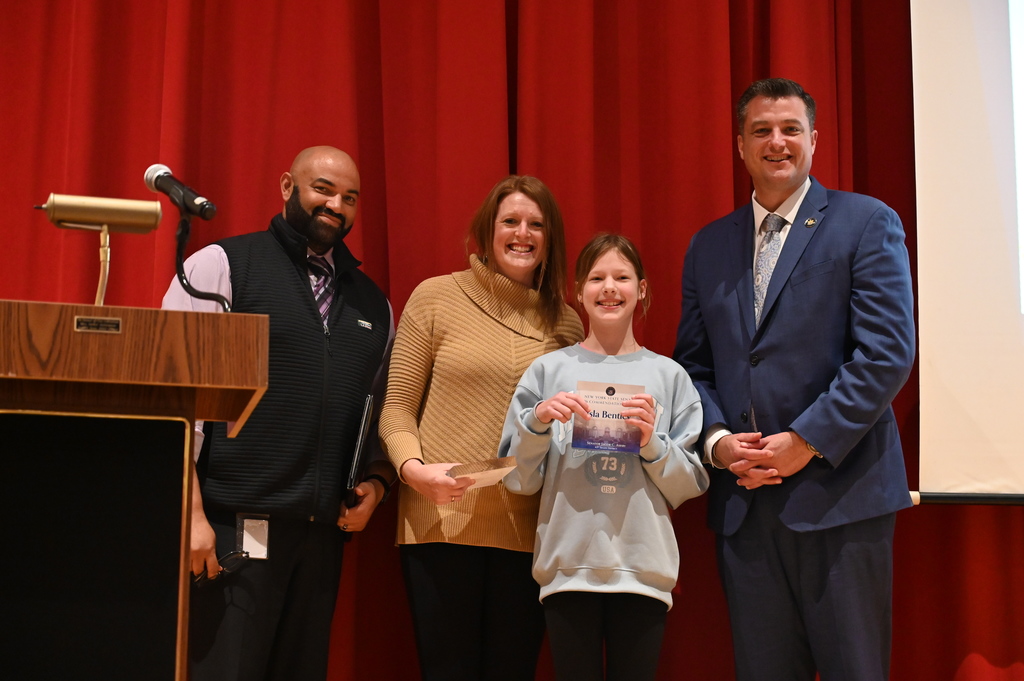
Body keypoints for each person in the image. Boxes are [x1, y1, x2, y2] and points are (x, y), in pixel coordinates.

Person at [673, 78, 916, 681]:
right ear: (739, 145)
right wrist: (718, 444)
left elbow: (887, 352)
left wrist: (803, 443)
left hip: (842, 497)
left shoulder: (865, 222)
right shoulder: (708, 246)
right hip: (745, 508)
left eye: (789, 129)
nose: (776, 142)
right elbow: (693, 369)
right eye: (761, 130)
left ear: (813, 140)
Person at [162, 146, 396, 681]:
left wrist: (378, 486)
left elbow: (380, 415)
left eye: (350, 197)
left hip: (320, 544)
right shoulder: (220, 267)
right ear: (287, 186)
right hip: (229, 528)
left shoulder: (374, 306)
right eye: (323, 189)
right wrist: (190, 514)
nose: (336, 205)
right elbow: (176, 402)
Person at [379, 175, 585, 681]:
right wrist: (413, 471)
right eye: (510, 221)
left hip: (529, 534)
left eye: (536, 225)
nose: (523, 234)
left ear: (550, 238)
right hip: (441, 522)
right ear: (487, 230)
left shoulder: (568, 324)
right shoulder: (435, 297)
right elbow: (397, 409)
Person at [500, 233, 708, 681]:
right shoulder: (548, 371)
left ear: (642, 289)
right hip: (567, 569)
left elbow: (689, 485)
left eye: (622, 277)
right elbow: (518, 480)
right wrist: (537, 422)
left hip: (642, 570)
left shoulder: (669, 376)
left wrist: (653, 443)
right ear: (578, 291)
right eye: (596, 278)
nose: (609, 288)